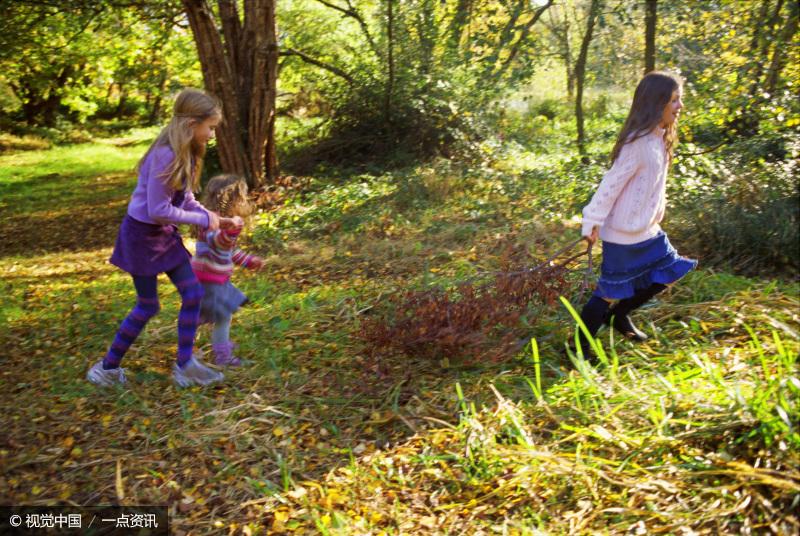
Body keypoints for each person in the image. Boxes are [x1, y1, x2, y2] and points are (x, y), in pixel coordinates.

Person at [87, 88, 227, 387]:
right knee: (148, 305)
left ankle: (185, 365)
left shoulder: (187, 152)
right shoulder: (165, 155)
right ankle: (106, 369)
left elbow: (185, 200)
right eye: (210, 127)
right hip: (141, 238)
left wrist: (211, 216)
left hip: (164, 236)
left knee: (193, 294)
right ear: (192, 125)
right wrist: (202, 219)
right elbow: (158, 209)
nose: (212, 135)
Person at [572, 71, 697, 359]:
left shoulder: (659, 138)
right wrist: (592, 221)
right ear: (657, 102)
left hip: (648, 230)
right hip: (623, 233)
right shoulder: (637, 143)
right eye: (674, 100)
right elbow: (610, 186)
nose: (679, 106)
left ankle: (619, 316)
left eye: (680, 99)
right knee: (607, 292)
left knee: (670, 271)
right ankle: (577, 348)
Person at [191, 174, 264, 367]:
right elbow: (219, 241)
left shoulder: (216, 220)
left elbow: (228, 250)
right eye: (243, 197)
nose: (245, 201)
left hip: (214, 278)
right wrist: (233, 230)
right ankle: (222, 356)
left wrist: (249, 261)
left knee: (212, 314)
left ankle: (198, 341)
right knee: (222, 316)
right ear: (233, 199)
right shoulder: (213, 222)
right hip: (209, 280)